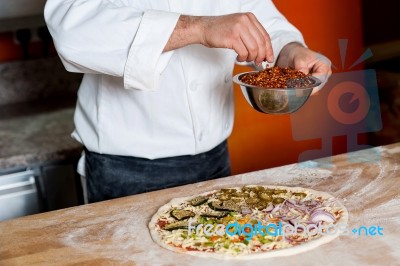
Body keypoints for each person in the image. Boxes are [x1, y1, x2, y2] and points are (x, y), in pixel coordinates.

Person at [44, 0, 331, 203]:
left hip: (215, 160)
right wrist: (198, 28)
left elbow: (258, 17)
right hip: (126, 171)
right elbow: (72, 29)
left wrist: (289, 49)